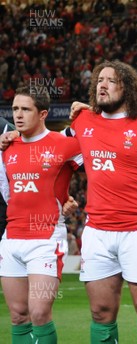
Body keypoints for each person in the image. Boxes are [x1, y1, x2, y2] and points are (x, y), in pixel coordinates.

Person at [65, 61, 137, 343]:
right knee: (101, 312)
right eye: (99, 80)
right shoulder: (82, 121)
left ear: (127, 88)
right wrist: (13, 137)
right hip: (97, 231)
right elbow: (56, 151)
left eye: (111, 81)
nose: (102, 85)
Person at [0, 86, 81, 344]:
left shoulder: (64, 144)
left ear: (43, 113)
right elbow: (7, 192)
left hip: (45, 240)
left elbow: (100, 144)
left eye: (25, 109)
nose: (18, 115)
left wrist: (69, 202)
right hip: (11, 238)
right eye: (15, 109)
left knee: (39, 312)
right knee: (18, 315)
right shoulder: (7, 147)